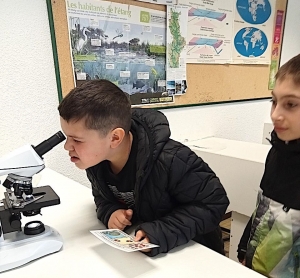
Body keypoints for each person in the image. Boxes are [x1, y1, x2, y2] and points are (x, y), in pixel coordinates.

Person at [58, 79, 229, 257]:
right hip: (146, 255)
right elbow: (102, 196)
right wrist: (110, 213)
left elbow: (214, 202)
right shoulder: (97, 161)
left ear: (115, 138)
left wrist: (162, 232)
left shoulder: (172, 159)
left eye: (76, 140)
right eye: (67, 137)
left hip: (197, 254)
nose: (67, 146)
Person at [237, 53, 300, 277]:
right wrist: (245, 249)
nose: (275, 114)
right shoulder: (279, 151)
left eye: (291, 104)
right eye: (274, 101)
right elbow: (263, 207)